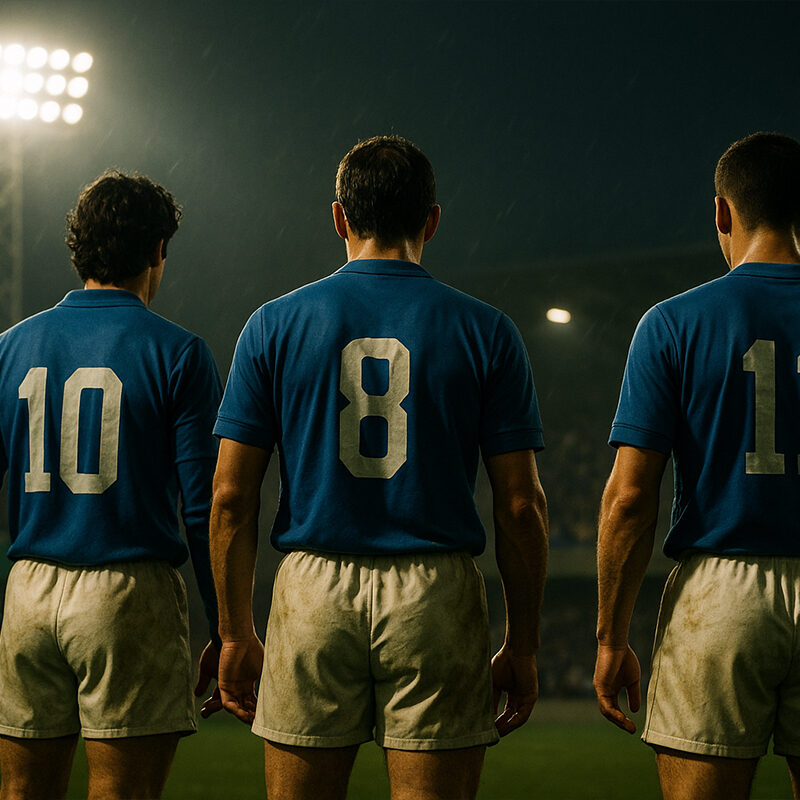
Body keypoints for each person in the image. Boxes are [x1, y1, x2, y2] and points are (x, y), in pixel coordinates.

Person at [206, 135, 548, 800]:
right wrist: (524, 643)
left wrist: (232, 630)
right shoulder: (486, 329)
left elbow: (228, 497)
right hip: (435, 589)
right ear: (433, 220)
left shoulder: (273, 325)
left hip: (313, 586)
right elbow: (519, 505)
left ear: (338, 217)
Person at [0, 170, 222, 800]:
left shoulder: (10, 348)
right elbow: (205, 507)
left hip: (30, 590)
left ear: (80, 248)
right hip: (128, 589)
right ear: (158, 251)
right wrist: (228, 626)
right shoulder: (178, 351)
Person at [594, 131, 800, 800]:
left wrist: (610, 638)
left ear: (721, 213)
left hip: (721, 589)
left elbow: (629, 499)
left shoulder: (673, 323)